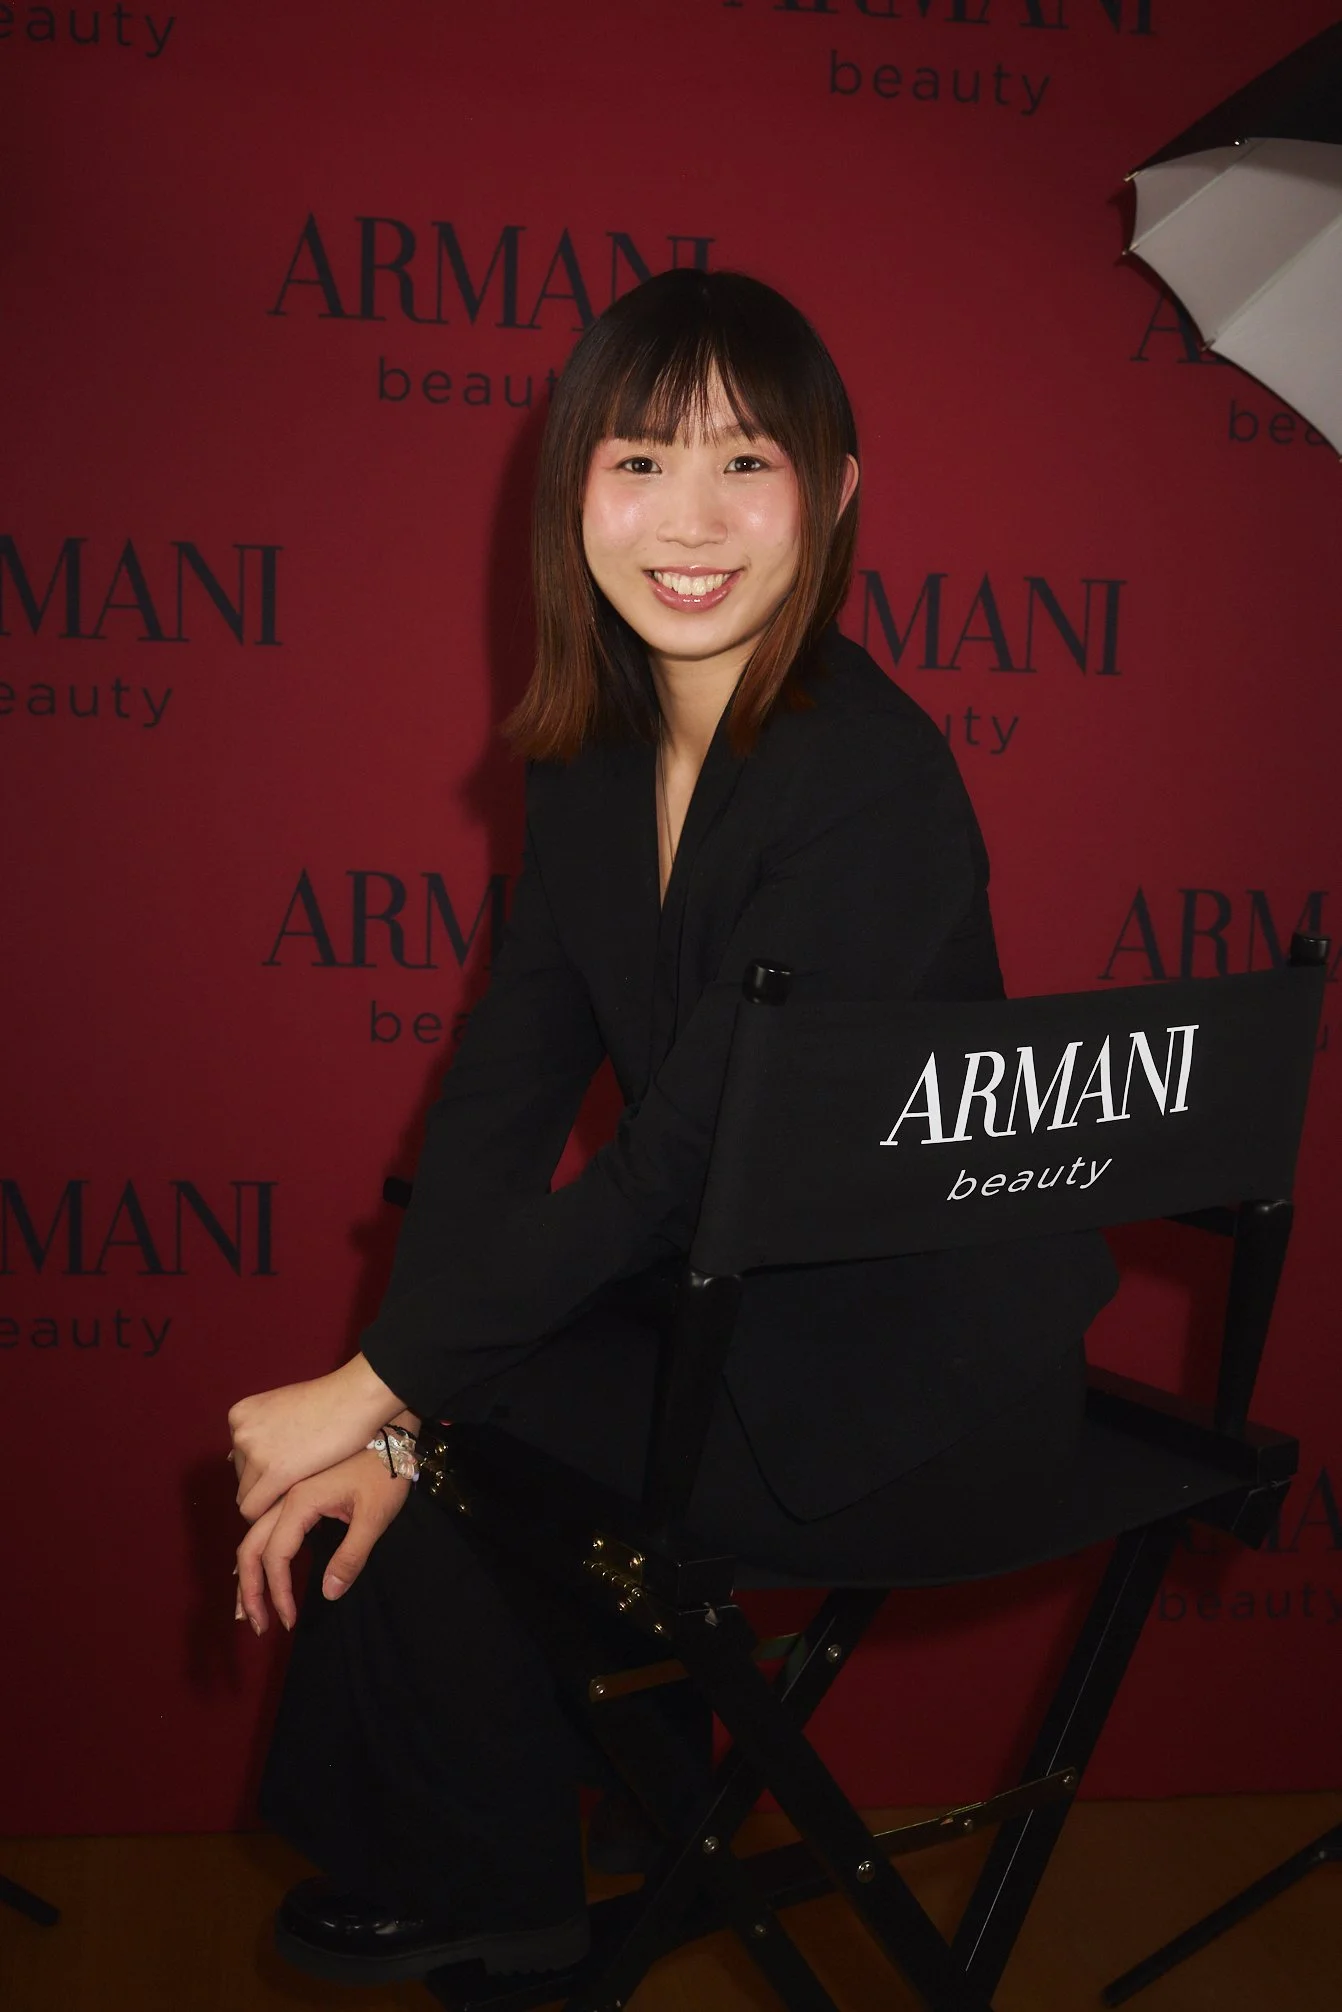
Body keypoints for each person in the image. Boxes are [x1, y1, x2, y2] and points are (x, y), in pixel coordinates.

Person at [227, 267, 1119, 1988]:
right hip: (735, 1296)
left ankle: (505, 1894)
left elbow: (686, 1158)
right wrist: (389, 1372)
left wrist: (387, 1396)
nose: (686, 520)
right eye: (639, 462)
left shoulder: (873, 782)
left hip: (914, 1376)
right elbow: (504, 1087)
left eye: (747, 464)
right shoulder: (593, 746)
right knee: (432, 1412)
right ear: (574, 490)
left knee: (446, 1434)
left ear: (835, 493)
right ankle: (559, 1825)